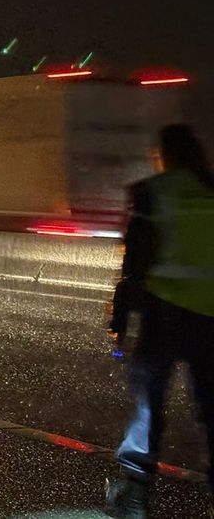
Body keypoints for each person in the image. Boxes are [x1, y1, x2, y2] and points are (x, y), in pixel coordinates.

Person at [105, 124, 214, 519]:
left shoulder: (153, 193)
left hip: (163, 315)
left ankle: (134, 495)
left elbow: (134, 266)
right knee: (212, 409)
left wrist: (120, 323)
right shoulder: (211, 187)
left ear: (164, 155)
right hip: (210, 319)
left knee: (148, 406)